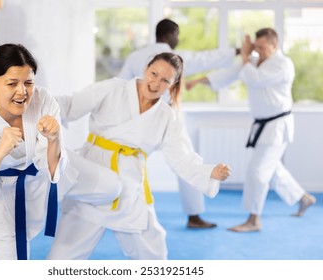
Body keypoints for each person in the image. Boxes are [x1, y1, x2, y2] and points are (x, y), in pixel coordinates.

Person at [47, 52, 231, 260]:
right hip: (93, 179)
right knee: (61, 259)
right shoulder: (114, 88)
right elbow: (71, 104)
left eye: (165, 81)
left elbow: (181, 156)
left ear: (173, 84)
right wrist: (36, 106)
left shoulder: (166, 116)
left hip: (130, 187)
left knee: (154, 254)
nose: (155, 83)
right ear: (146, 68)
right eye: (154, 74)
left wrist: (209, 172)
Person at [0, 44, 120, 260]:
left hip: (43, 174)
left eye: (28, 83)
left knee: (111, 187)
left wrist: (54, 138)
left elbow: (51, 165)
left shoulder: (43, 99)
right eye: (12, 83)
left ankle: (73, 212)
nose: (22, 92)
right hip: (0, 192)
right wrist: (0, 152)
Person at [185, 28, 316, 232]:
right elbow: (229, 74)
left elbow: (254, 78)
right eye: (257, 47)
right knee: (271, 169)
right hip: (264, 126)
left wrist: (246, 55)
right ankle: (303, 198)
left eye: (263, 48)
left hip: (277, 126)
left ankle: (254, 220)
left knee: (257, 171)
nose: (259, 51)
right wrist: (196, 82)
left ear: (275, 45)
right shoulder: (253, 62)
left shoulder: (283, 64)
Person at [118, 18, 240, 229]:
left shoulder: (135, 56)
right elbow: (206, 59)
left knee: (125, 163)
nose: (178, 38)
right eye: (177, 34)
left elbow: (121, 85)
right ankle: (194, 216)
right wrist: (235, 51)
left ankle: (118, 213)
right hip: (166, 121)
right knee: (186, 162)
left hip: (137, 119)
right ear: (169, 35)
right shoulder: (174, 58)